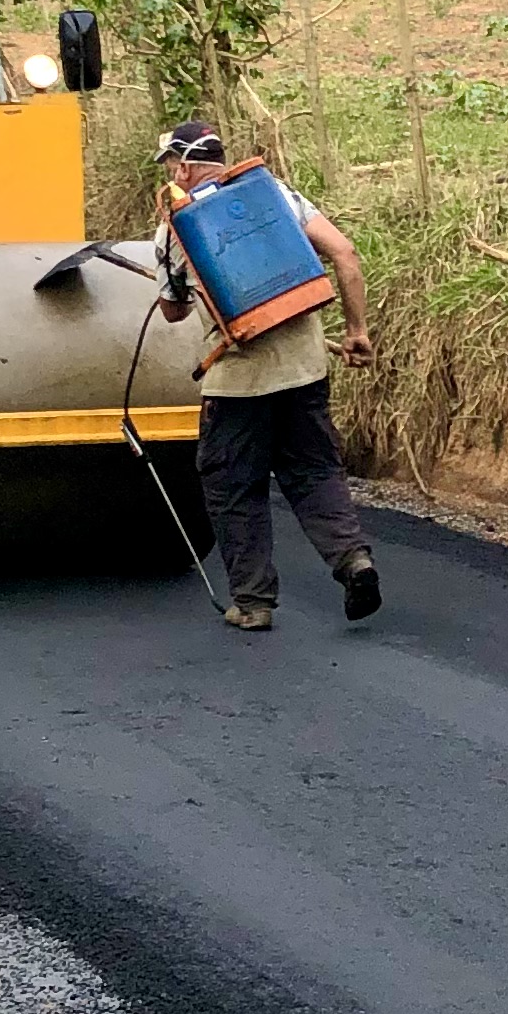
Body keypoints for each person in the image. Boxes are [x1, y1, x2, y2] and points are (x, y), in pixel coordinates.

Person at [152, 118, 381, 634]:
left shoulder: (175, 227)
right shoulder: (275, 193)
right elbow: (344, 253)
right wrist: (356, 331)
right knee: (315, 471)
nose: (170, 174)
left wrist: (177, 280)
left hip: (236, 383)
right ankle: (352, 561)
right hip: (305, 369)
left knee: (234, 485)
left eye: (170, 164)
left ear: (185, 165)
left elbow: (172, 311)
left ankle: (253, 603)